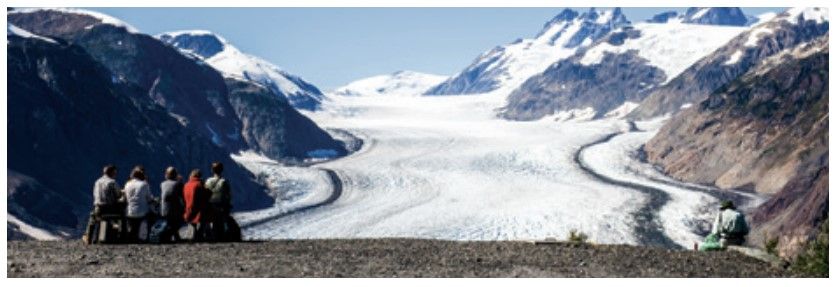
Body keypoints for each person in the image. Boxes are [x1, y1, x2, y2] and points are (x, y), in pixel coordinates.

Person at [83, 165, 124, 244]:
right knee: (123, 214)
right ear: (112, 172)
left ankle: (88, 237)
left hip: (98, 208)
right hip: (110, 208)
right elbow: (118, 195)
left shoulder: (97, 182)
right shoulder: (112, 182)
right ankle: (120, 236)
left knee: (92, 218)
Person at [123, 166, 156, 243]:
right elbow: (149, 198)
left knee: (133, 224)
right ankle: (146, 236)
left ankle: (131, 237)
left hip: (129, 211)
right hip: (142, 211)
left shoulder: (127, 184)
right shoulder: (144, 184)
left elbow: (124, 198)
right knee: (152, 215)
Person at [205, 162, 232, 240]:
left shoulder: (208, 181)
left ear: (212, 170)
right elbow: (228, 196)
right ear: (222, 170)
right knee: (225, 219)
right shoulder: (224, 181)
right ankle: (226, 233)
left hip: (209, 206)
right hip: (221, 206)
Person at [183, 169, 212, 241]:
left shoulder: (186, 185)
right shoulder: (199, 184)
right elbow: (207, 195)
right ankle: (204, 235)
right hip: (198, 213)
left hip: (188, 212)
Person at [159, 167, 184, 242]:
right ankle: (168, 235)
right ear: (175, 175)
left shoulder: (162, 184)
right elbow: (182, 196)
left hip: (164, 210)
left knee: (171, 223)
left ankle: (175, 236)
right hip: (174, 210)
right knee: (177, 222)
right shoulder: (178, 184)